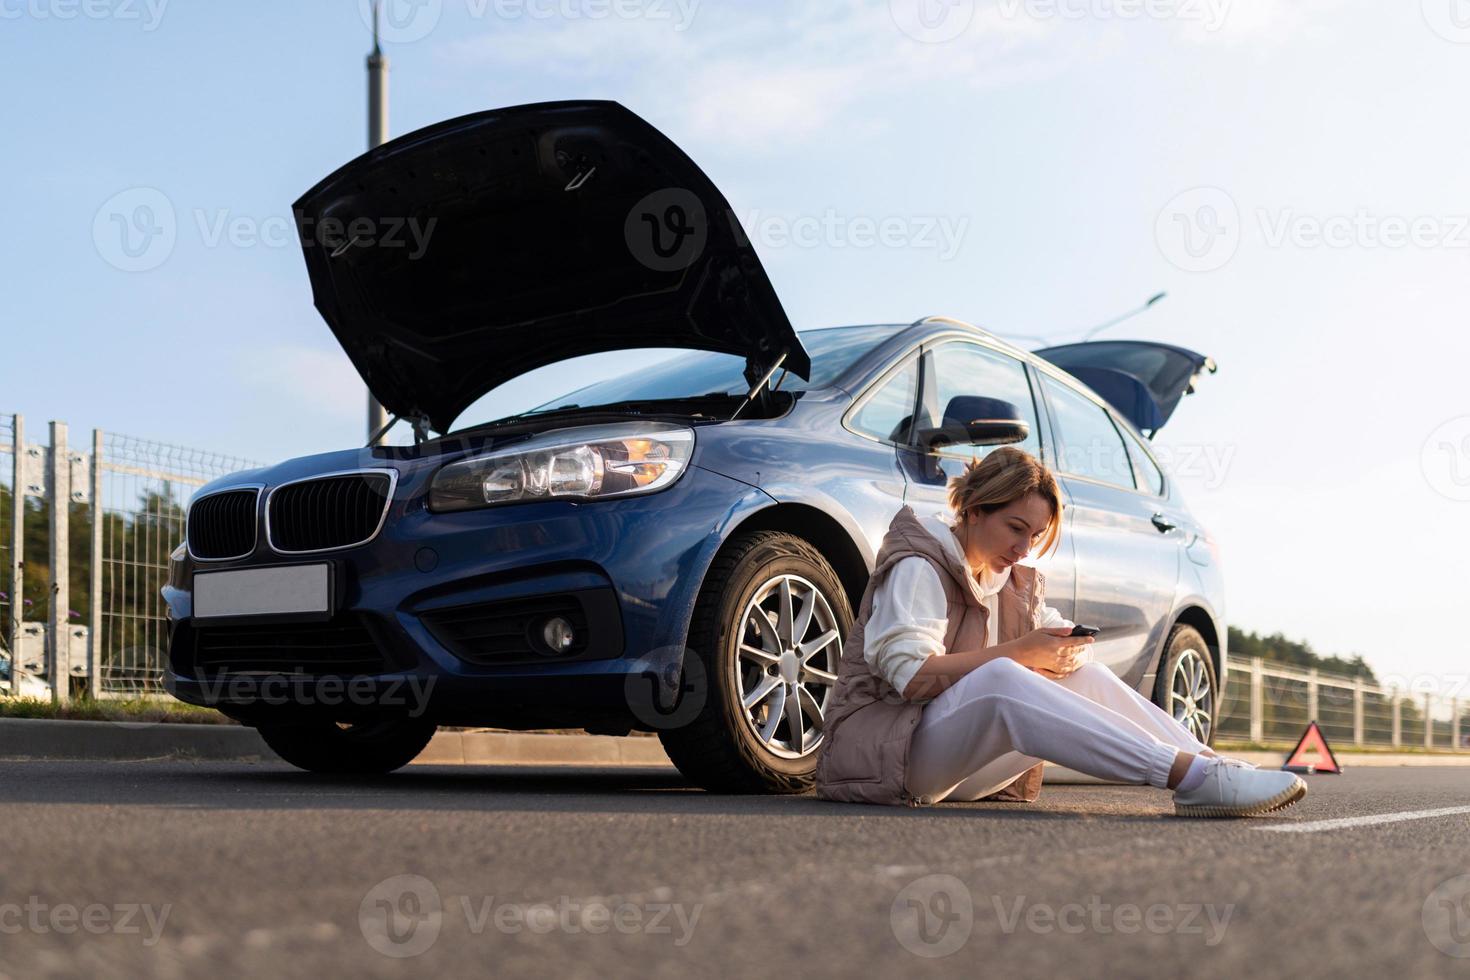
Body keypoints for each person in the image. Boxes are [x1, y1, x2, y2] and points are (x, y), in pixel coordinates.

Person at [813, 446, 1307, 818]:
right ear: (975, 509)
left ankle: (1209, 767)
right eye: (1015, 528)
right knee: (1004, 677)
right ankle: (1186, 776)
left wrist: (1063, 650)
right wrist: (1020, 652)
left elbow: (1043, 646)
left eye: (1035, 534)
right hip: (883, 758)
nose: (1025, 548)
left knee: (1083, 679)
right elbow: (912, 677)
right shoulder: (919, 566)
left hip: (954, 768)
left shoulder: (1011, 582)